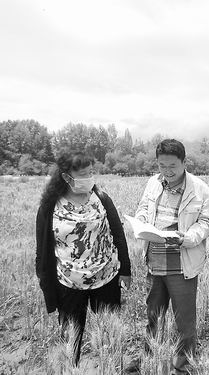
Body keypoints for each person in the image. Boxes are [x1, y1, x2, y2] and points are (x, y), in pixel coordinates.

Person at [35, 151, 132, 366]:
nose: (88, 178)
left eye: (90, 173)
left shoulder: (102, 199)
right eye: (82, 174)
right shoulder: (50, 207)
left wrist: (125, 269)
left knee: (109, 333)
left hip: (105, 277)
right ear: (66, 177)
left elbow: (118, 233)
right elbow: (42, 250)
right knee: (71, 338)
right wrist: (46, 285)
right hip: (69, 283)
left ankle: (112, 368)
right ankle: (71, 369)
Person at [134, 139, 209, 374]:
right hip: (155, 263)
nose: (167, 171)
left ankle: (184, 362)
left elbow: (207, 223)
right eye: (162, 166)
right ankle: (150, 357)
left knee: (184, 319)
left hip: (182, 264)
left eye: (172, 166)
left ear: (184, 163)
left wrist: (186, 238)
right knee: (153, 315)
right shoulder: (152, 183)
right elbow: (142, 209)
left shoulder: (200, 190)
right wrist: (142, 222)